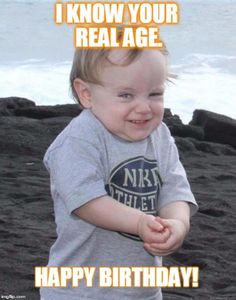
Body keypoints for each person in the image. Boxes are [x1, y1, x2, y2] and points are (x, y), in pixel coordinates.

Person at [40, 41, 198, 300]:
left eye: (154, 94)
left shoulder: (159, 135)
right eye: (126, 95)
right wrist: (138, 222)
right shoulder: (77, 141)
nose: (144, 107)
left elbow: (174, 189)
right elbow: (86, 202)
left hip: (143, 290)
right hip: (79, 290)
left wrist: (178, 224)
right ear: (86, 93)